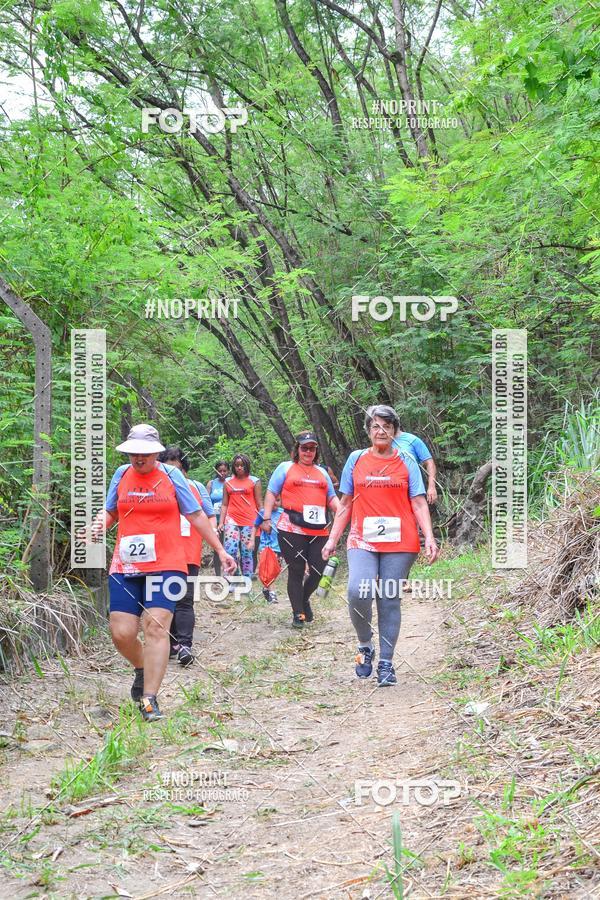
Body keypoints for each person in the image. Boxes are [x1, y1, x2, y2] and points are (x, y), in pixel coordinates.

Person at [91, 424, 236, 721]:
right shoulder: (121, 474)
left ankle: (149, 699)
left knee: (156, 627)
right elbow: (110, 510)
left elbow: (196, 514)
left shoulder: (172, 476)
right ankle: (142, 667)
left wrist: (220, 550)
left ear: (156, 452)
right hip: (126, 564)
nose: (138, 458)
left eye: (144, 453)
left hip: (167, 563)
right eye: (133, 453)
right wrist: (98, 525)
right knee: (121, 633)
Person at [323, 405, 439, 687]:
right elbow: (346, 503)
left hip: (401, 540)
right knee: (357, 590)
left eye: (387, 426)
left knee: (388, 597)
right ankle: (365, 644)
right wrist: (332, 539)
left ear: (394, 430)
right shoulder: (356, 459)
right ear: (368, 431)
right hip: (362, 537)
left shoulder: (406, 460)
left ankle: (386, 662)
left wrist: (429, 537)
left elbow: (418, 502)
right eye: (375, 426)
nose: (381, 431)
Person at [263, 431, 339, 628]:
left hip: (319, 529)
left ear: (316, 451)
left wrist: (342, 512)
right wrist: (266, 517)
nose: (308, 452)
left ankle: (304, 599)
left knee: (319, 569)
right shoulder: (285, 468)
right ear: (297, 449)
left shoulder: (322, 472)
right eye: (304, 448)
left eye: (312, 448)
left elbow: (331, 497)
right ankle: (298, 614)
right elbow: (271, 492)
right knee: (296, 570)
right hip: (291, 527)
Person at [158, 445, 217, 667]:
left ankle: (184, 645)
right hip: (161, 551)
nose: (173, 473)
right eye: (168, 468)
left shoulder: (196, 487)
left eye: (178, 468)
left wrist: (213, 534)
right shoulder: (156, 488)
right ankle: (171, 642)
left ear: (185, 469)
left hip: (188, 550)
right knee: (165, 598)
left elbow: (209, 514)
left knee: (184, 598)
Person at [218, 454, 262, 587]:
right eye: (237, 465)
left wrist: (264, 520)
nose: (239, 468)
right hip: (231, 520)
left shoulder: (254, 481)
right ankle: (233, 578)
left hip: (249, 521)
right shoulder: (228, 482)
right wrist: (221, 522)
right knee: (230, 549)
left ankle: (247, 580)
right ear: (233, 467)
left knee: (246, 552)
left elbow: (259, 503)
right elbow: (224, 504)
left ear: (247, 466)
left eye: (242, 465)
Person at [391, 424, 438, 504]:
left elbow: (429, 463)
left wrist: (431, 487)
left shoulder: (412, 440)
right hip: (390, 488)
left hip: (413, 487)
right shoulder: (383, 441)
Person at [254, 498, 283, 603]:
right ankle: (272, 593)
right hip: (266, 546)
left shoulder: (283, 513)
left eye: (277, 500)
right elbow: (255, 525)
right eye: (272, 500)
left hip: (279, 546)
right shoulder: (263, 512)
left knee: (276, 570)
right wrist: (252, 540)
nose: (274, 502)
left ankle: (266, 588)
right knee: (268, 570)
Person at [207, 461, 230, 575]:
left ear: (228, 471)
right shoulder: (211, 483)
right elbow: (206, 501)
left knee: (228, 547)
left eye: (224, 471)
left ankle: (229, 572)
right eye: (220, 471)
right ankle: (218, 575)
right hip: (214, 520)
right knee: (217, 547)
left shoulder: (230, 482)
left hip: (228, 519)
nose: (222, 473)